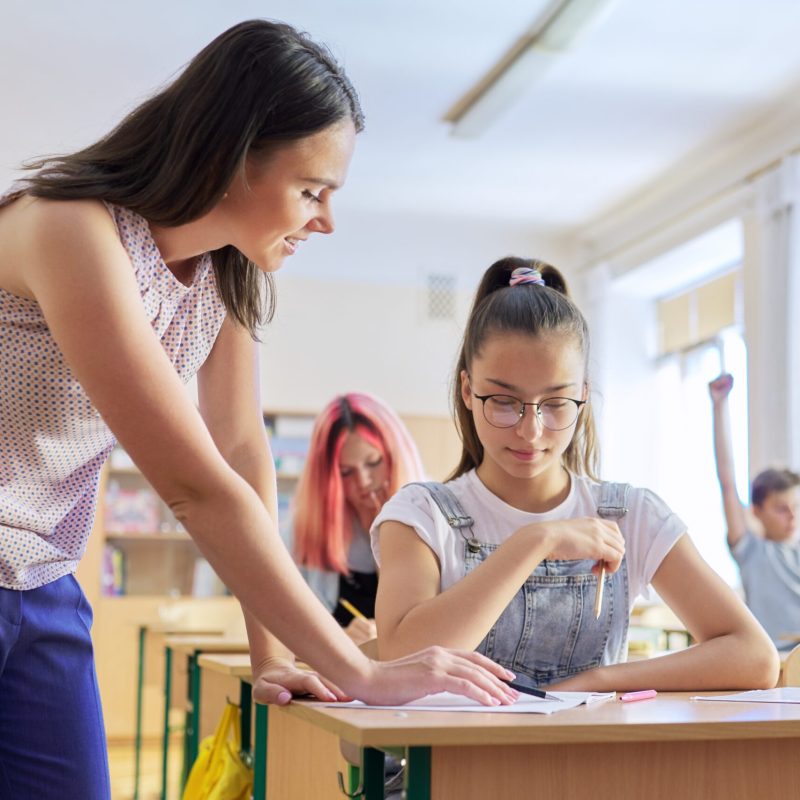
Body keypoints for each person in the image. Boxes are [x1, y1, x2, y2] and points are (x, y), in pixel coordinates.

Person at [0, 20, 516, 800]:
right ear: (234, 157)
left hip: (42, 579)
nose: (326, 220)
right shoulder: (71, 230)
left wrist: (273, 656)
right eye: (312, 191)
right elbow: (194, 486)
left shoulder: (222, 278)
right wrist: (361, 671)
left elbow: (241, 453)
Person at [371, 257, 779, 693]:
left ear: (583, 394)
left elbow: (754, 656)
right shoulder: (420, 515)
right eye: (505, 402)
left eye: (556, 403)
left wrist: (599, 680)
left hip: (594, 760)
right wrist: (536, 542)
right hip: (455, 761)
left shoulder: (630, 514)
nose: (531, 430)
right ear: (468, 390)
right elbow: (401, 656)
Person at [292, 392, 426, 645]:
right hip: (336, 674)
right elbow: (287, 627)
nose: (363, 481)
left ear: (396, 457)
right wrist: (340, 640)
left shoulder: (433, 517)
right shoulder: (304, 530)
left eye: (374, 462)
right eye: (346, 472)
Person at [708, 373, 800, 649]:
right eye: (781, 509)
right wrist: (719, 406)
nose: (793, 516)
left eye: (796, 506)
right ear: (757, 511)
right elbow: (727, 483)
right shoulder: (752, 551)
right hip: (773, 664)